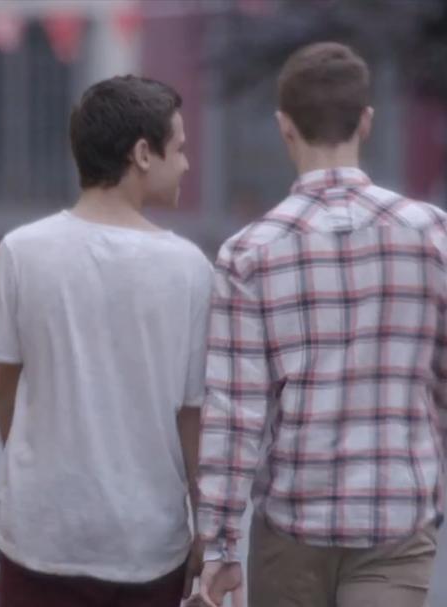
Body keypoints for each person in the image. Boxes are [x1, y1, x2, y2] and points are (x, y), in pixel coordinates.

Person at [196, 42, 446, 607]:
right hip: (397, 518)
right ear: (366, 121)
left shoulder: (248, 253)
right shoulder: (433, 235)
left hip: (293, 525)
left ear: (284, 126)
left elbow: (235, 413)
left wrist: (219, 544)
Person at [0, 75, 212, 607]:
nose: (187, 165)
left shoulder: (21, 251)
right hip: (148, 544)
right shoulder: (190, 269)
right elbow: (191, 417)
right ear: (143, 154)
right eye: (179, 148)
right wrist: (207, 532)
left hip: (39, 535)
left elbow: (6, 393)